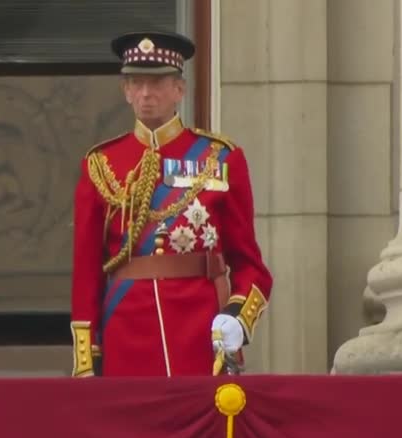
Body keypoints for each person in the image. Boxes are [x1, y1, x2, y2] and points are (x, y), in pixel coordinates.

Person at [70, 31, 273, 377]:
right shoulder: (101, 165)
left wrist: (238, 317)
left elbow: (251, 266)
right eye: (137, 83)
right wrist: (87, 358)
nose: (147, 94)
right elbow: (87, 274)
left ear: (179, 89)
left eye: (158, 83)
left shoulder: (221, 159)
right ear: (126, 91)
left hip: (199, 331)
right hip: (127, 335)